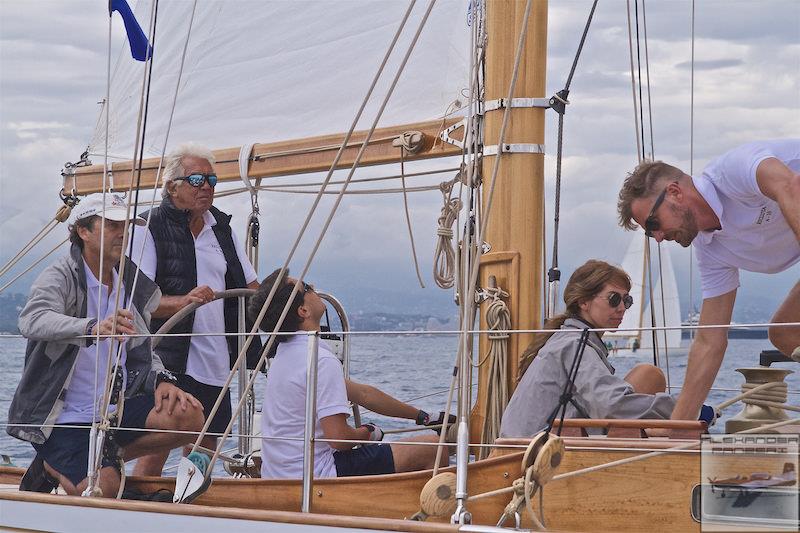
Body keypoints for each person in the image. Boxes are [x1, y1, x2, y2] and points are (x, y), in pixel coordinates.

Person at [7, 193, 204, 497]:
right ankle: (51, 464)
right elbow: (32, 319)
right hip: (65, 416)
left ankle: (105, 455)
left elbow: (141, 346)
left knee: (188, 415)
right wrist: (91, 328)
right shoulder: (61, 275)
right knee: (101, 489)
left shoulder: (130, 283)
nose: (123, 231)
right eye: (112, 224)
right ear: (83, 232)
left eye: (125, 224)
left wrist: (162, 378)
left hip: (114, 409)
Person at [617, 139, 800, 422]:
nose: (657, 237)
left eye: (653, 224)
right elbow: (709, 341)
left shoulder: (733, 171)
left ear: (675, 193)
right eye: (648, 233)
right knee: (784, 332)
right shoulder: (711, 251)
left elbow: (791, 187)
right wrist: (676, 431)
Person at [127, 143, 262, 475]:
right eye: (197, 179)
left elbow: (252, 288)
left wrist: (289, 299)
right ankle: (136, 506)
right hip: (172, 358)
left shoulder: (221, 228)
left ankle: (188, 505)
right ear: (172, 186)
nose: (206, 187)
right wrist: (184, 301)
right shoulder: (149, 227)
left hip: (217, 358)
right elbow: (137, 301)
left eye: (212, 180)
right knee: (164, 441)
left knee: (204, 447)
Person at [248, 268, 451, 479]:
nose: (314, 288)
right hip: (317, 475)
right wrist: (367, 433)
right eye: (307, 288)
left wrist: (424, 417)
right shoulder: (320, 361)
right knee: (434, 448)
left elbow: (364, 394)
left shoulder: (286, 355)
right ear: (303, 311)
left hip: (280, 474)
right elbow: (339, 439)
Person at [499, 260, 675, 438]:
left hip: (530, 444)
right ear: (584, 302)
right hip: (533, 454)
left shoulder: (568, 339)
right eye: (614, 299)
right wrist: (685, 410)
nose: (622, 308)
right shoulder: (573, 344)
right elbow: (610, 405)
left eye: (626, 300)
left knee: (649, 375)